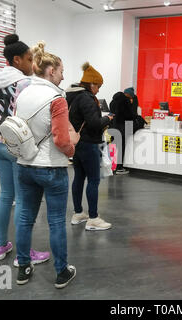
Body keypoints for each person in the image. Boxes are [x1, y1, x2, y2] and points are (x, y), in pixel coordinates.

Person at [15, 42, 76, 288]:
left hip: (24, 165)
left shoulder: (23, 94)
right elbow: (62, 140)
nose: (63, 76)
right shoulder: (57, 98)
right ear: (50, 71)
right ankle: (61, 272)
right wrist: (74, 148)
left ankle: (23, 268)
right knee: (57, 221)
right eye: (61, 71)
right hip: (51, 167)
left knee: (24, 218)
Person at [0, 34, 50, 266]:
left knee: (6, 196)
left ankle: (0, 245)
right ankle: (25, 255)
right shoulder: (24, 83)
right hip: (17, 146)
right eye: (28, 58)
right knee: (24, 200)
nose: (31, 63)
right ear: (16, 60)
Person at [66, 63, 113, 230]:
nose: (99, 90)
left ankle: (78, 213)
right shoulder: (86, 98)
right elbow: (94, 124)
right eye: (98, 86)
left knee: (78, 177)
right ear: (91, 83)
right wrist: (108, 119)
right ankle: (93, 218)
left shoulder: (71, 95)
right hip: (89, 144)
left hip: (77, 144)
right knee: (93, 180)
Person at [109, 90, 135, 174]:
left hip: (113, 126)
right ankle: (119, 167)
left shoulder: (113, 101)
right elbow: (130, 115)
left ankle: (112, 167)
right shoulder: (126, 101)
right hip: (122, 127)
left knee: (113, 146)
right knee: (121, 147)